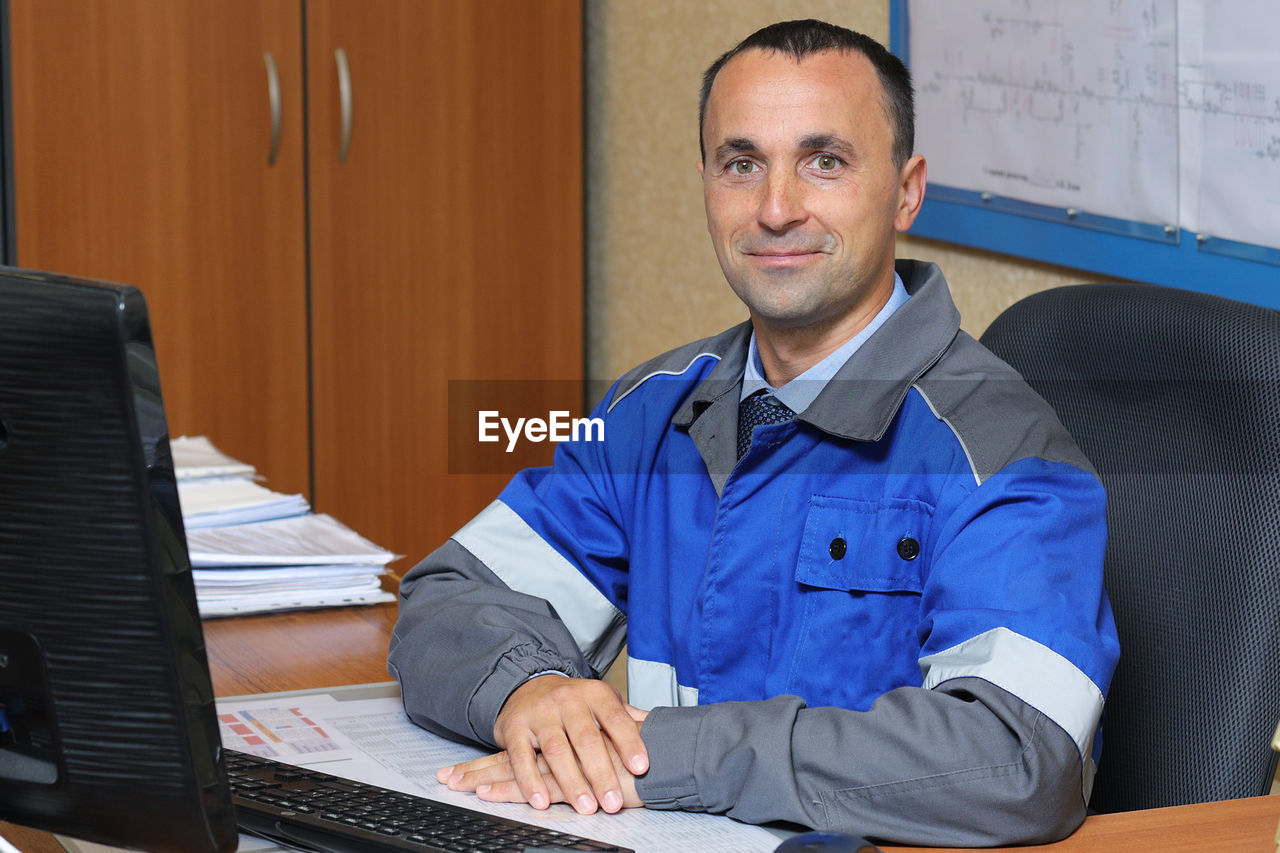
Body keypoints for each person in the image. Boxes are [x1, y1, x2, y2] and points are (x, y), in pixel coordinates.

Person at [389, 19, 1119, 847]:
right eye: (742, 164)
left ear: (907, 189)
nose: (776, 209)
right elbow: (448, 600)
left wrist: (666, 755)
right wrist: (533, 691)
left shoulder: (999, 450)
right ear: (705, 182)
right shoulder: (651, 411)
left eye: (825, 162)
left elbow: (1014, 756)